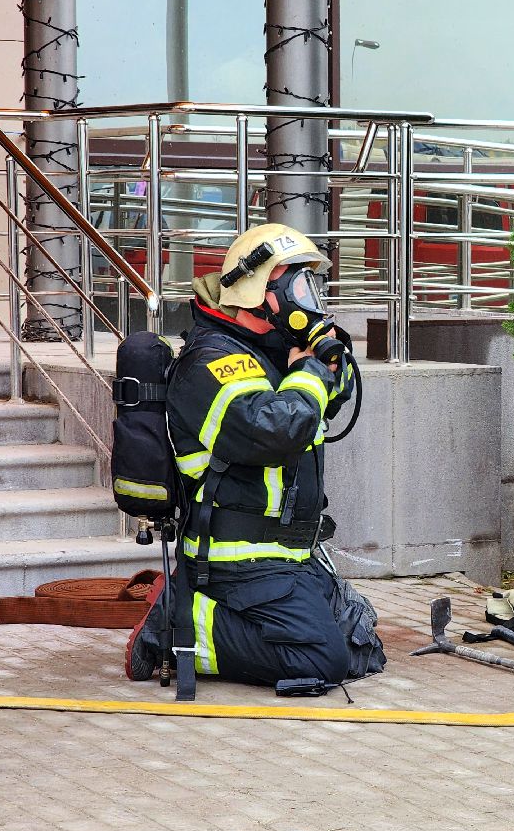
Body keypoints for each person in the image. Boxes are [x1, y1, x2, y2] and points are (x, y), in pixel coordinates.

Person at [125, 223, 362, 687]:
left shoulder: (271, 349)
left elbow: (331, 398)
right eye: (297, 285)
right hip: (236, 560)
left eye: (310, 285)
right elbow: (274, 431)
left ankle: (192, 612)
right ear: (257, 293)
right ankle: (176, 627)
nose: (307, 298)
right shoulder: (210, 362)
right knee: (323, 661)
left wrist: (327, 360)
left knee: (360, 641)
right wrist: (312, 372)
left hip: (285, 555)